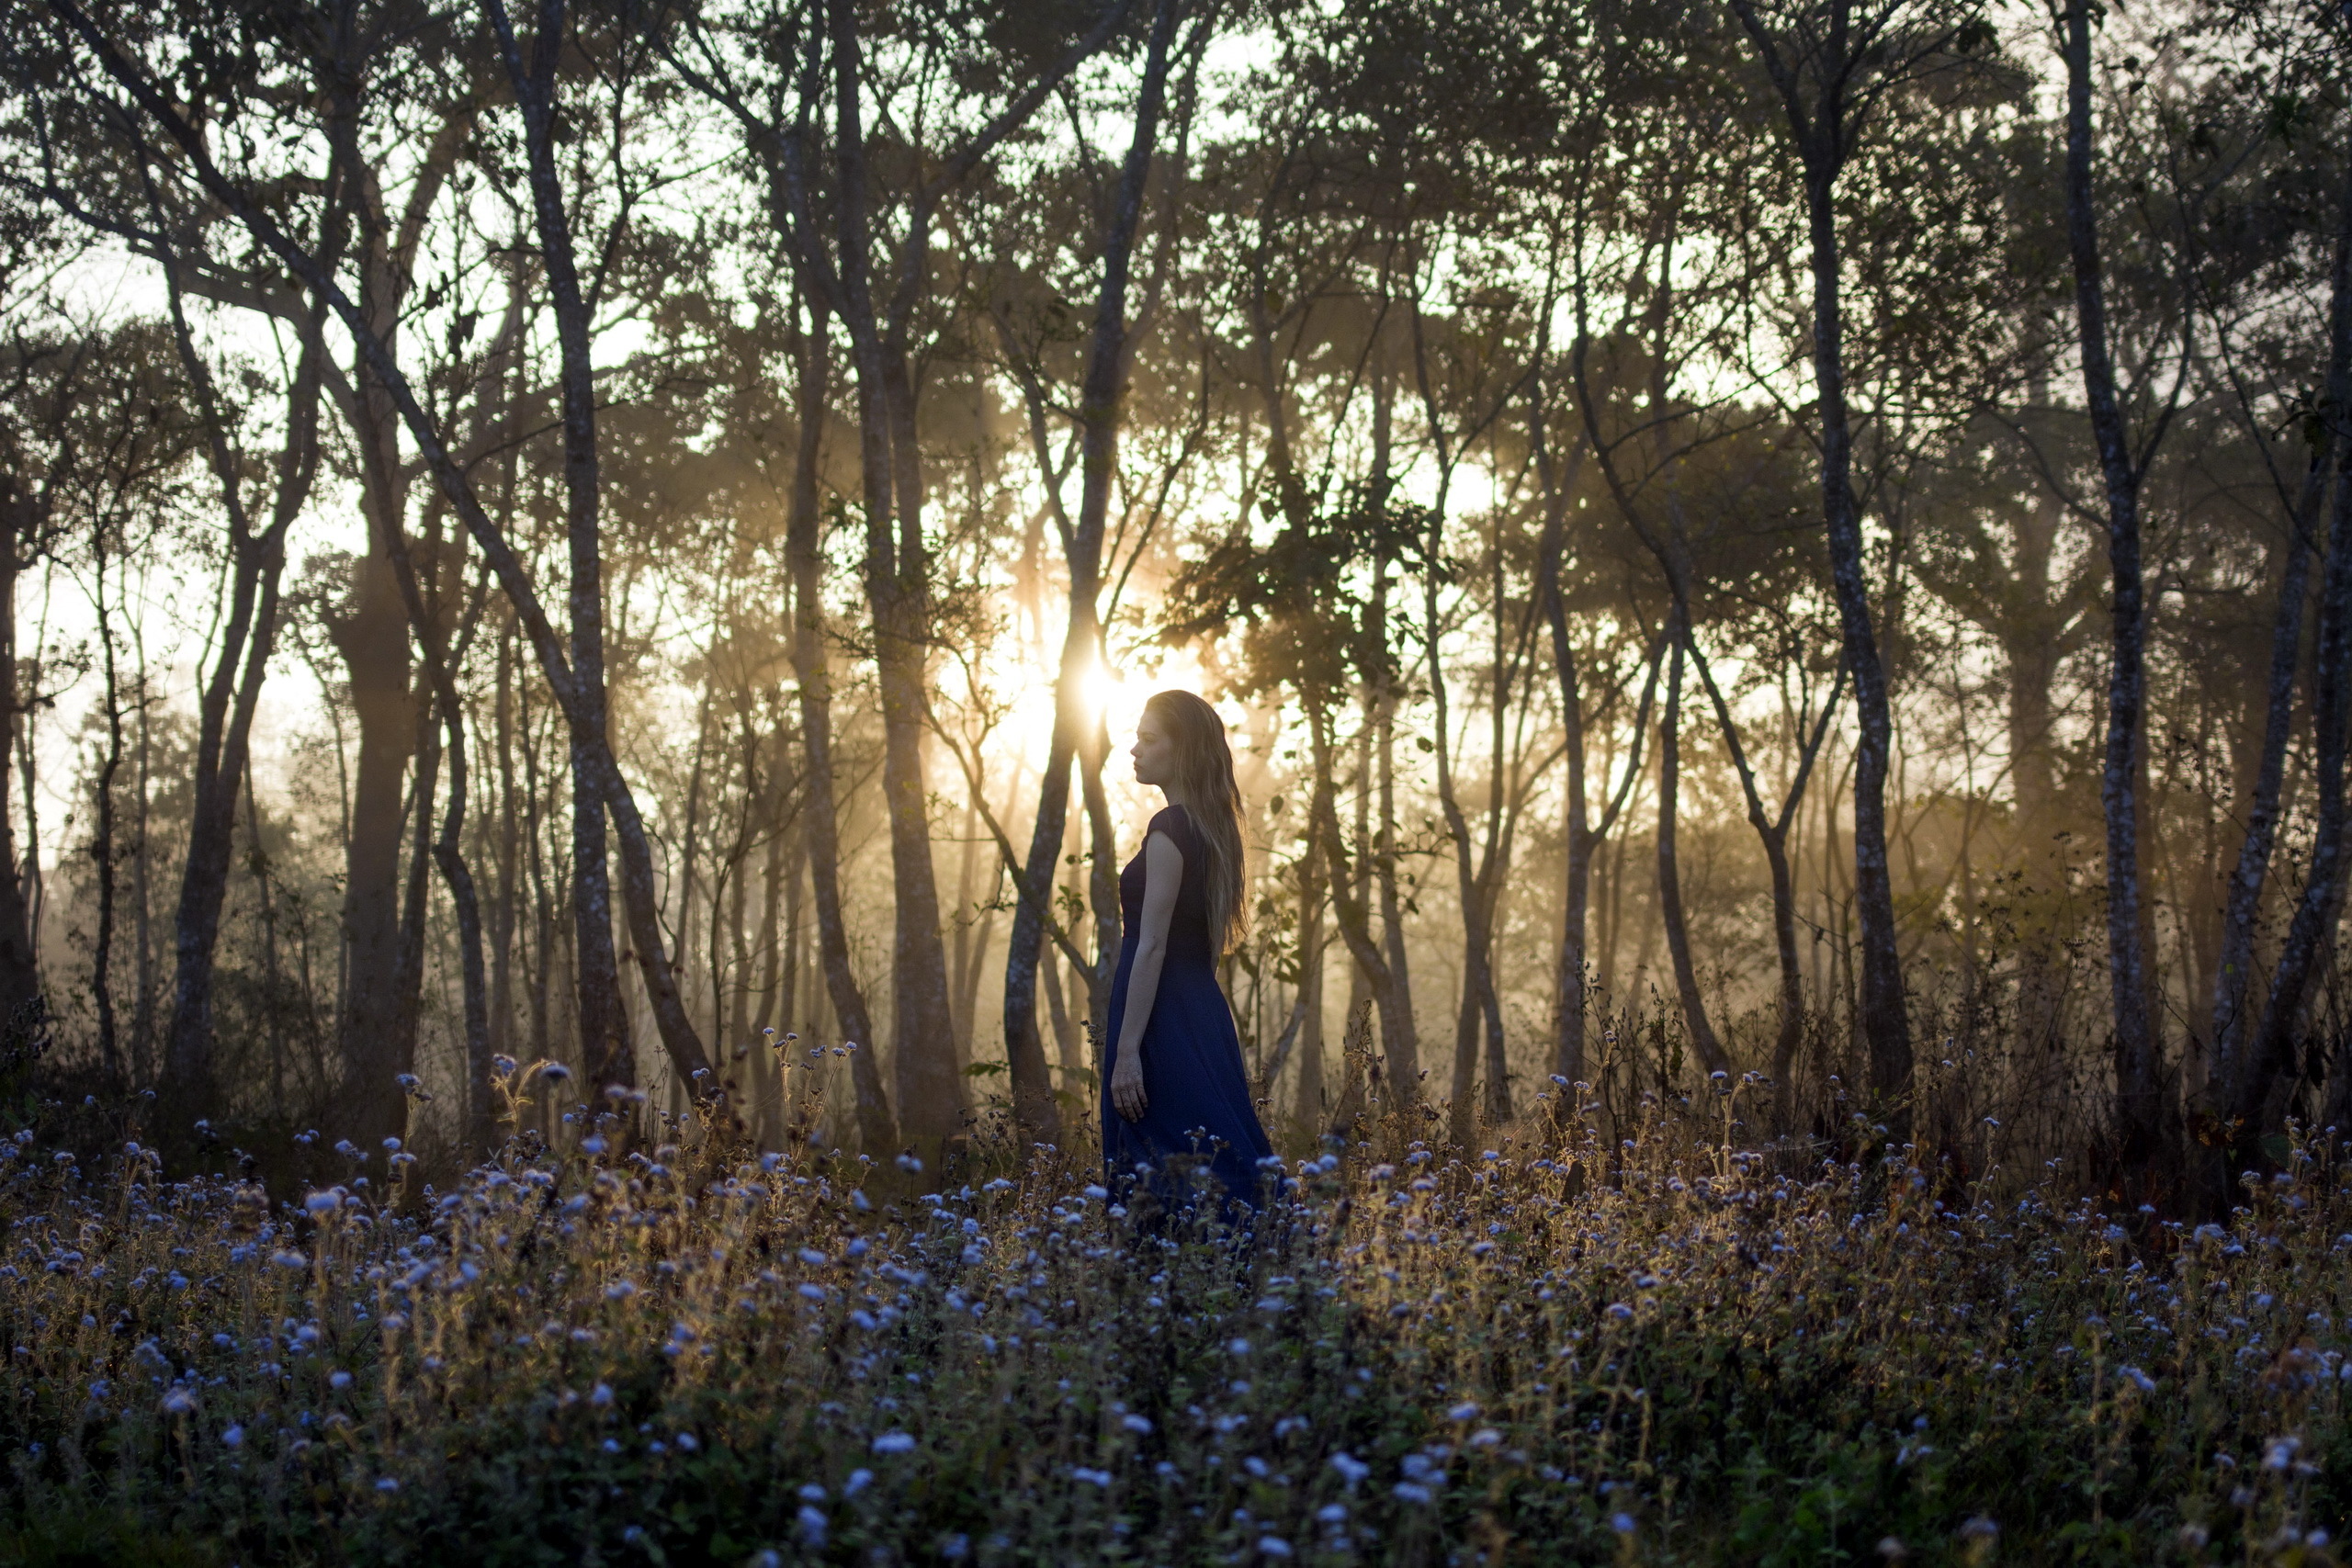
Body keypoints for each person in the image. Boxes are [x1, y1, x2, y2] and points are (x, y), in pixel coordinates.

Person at [1102, 690, 1274, 1217]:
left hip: (1158, 1018)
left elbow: (1152, 944)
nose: (1134, 749)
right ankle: (1257, 1277)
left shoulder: (1170, 830)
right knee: (1213, 1152)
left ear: (1183, 752)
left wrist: (1128, 1050)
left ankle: (1197, 1284)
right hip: (1197, 1010)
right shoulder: (1212, 829)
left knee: (1168, 1166)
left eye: (1148, 739)